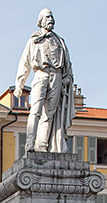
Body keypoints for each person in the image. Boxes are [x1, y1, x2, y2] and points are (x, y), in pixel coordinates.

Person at [14, 8, 74, 153]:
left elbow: (68, 64)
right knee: (35, 110)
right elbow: (25, 62)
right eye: (47, 17)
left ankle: (42, 145)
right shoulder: (34, 40)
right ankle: (30, 143)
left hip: (57, 76)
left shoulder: (59, 41)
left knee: (50, 114)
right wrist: (19, 84)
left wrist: (67, 77)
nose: (51, 19)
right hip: (40, 74)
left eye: (52, 17)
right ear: (41, 21)